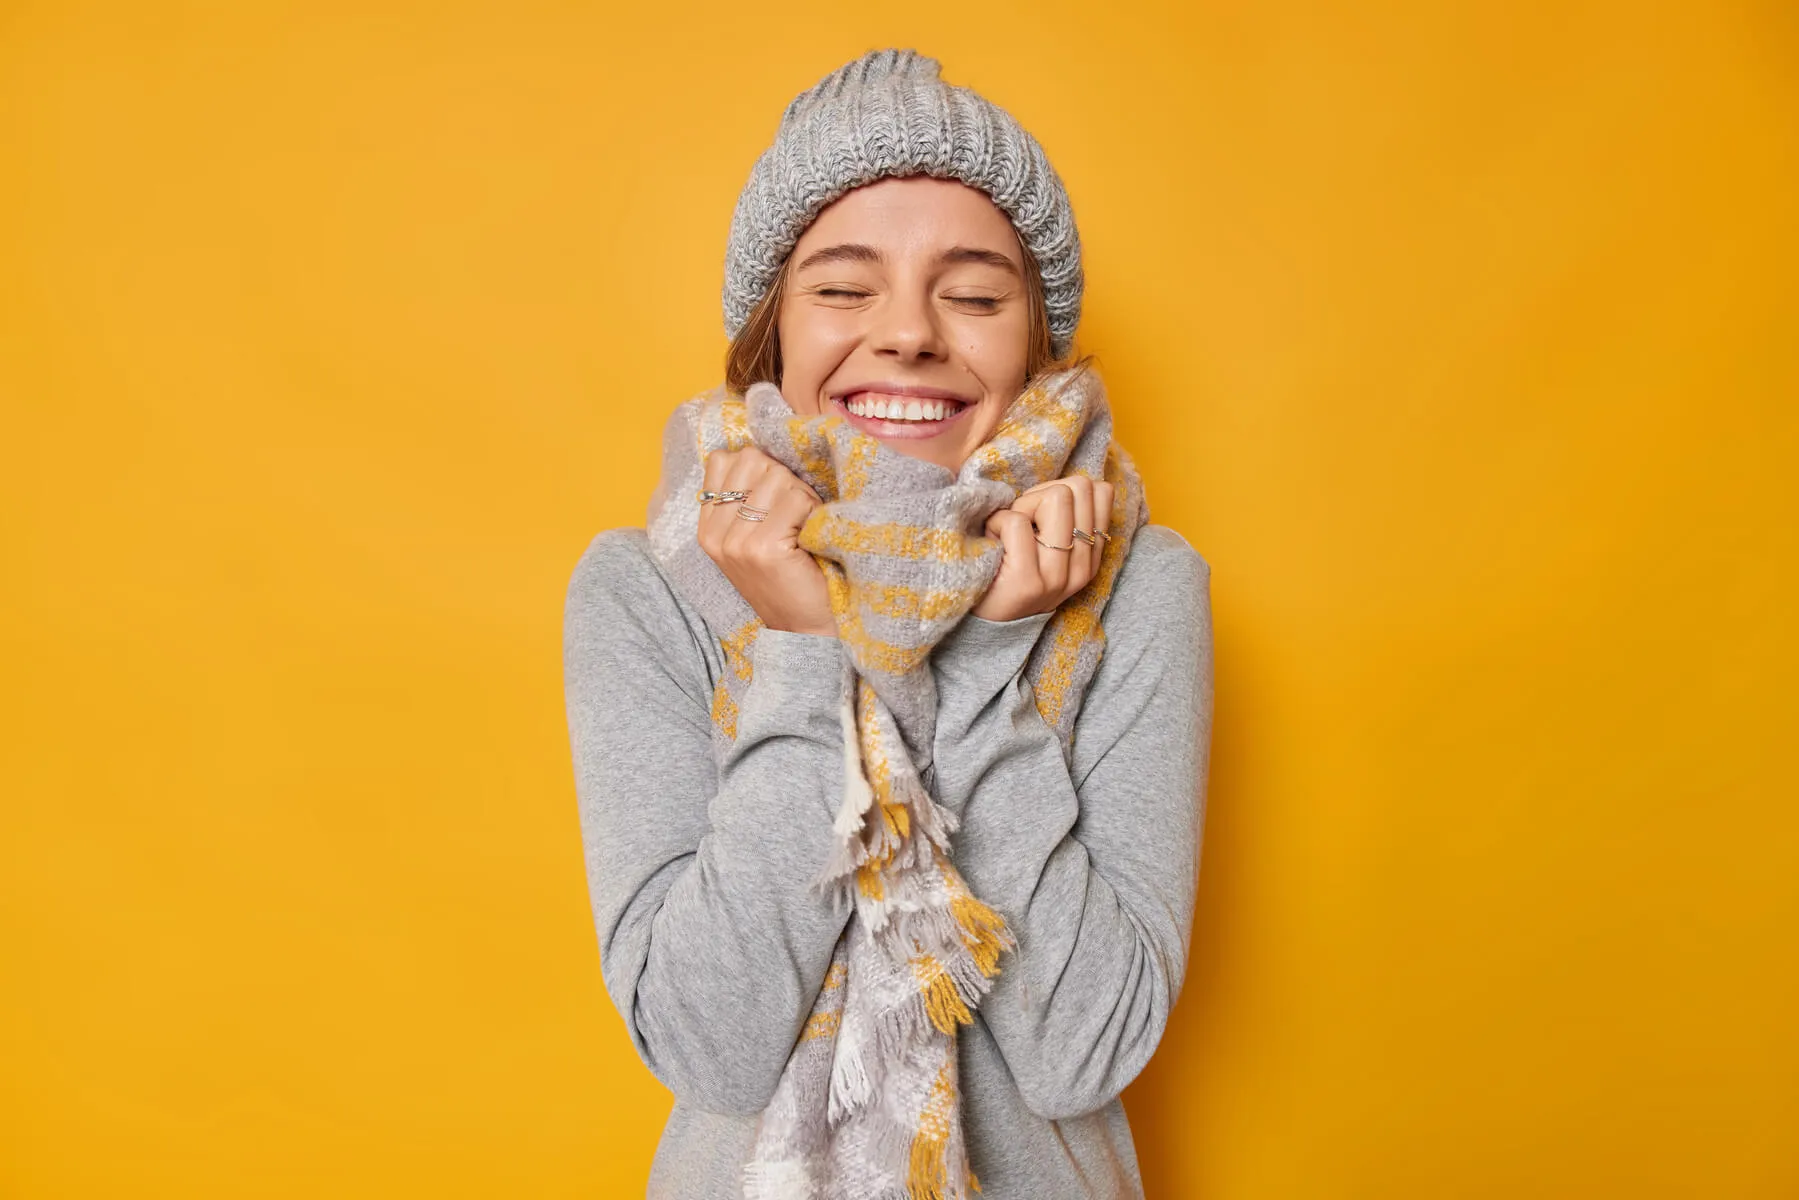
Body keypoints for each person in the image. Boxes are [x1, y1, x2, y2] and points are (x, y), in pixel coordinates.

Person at [563, 48, 1214, 1200]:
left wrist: (992, 662)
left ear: (1033, 343)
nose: (909, 333)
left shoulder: (1138, 584)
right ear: (772, 331)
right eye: (842, 287)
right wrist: (808, 651)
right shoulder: (647, 587)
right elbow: (709, 1042)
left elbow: (1084, 1049)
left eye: (970, 293)